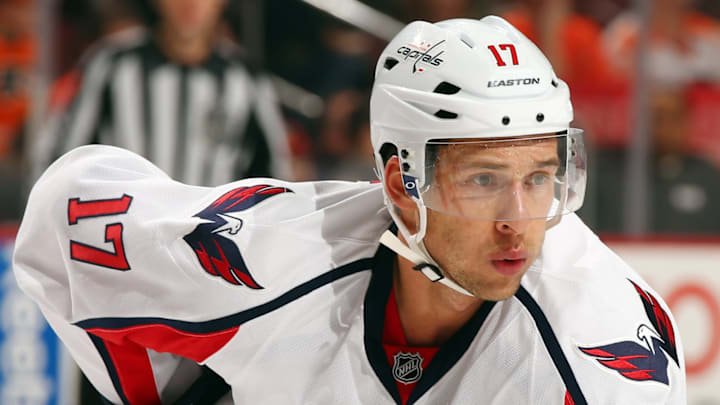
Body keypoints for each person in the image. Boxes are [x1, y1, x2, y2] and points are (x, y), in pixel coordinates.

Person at [13, 16, 685, 404]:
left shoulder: (592, 355)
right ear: (399, 185)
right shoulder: (280, 256)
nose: (520, 221)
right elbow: (67, 218)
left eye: (541, 177)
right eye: (484, 179)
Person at [34, 0, 291, 185]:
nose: (190, 4)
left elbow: (274, 171)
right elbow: (61, 153)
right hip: (123, 238)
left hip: (209, 244)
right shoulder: (112, 63)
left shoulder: (245, 77)